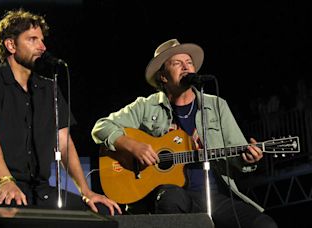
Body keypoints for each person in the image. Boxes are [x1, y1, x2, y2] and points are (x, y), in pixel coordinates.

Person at [91, 38, 277, 227]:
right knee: (170, 198)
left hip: (213, 195)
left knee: (264, 224)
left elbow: (236, 153)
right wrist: (133, 146)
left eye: (189, 63)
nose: (186, 67)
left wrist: (247, 159)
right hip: (170, 195)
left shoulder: (216, 106)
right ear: (163, 76)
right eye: (178, 63)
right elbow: (101, 127)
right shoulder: (146, 107)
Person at [0, 8, 121, 216]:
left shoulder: (48, 88)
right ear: (11, 45)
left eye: (41, 40)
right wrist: (6, 181)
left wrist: (86, 192)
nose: (42, 47)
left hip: (37, 189)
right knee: (13, 206)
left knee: (99, 211)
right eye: (32, 39)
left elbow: (64, 143)